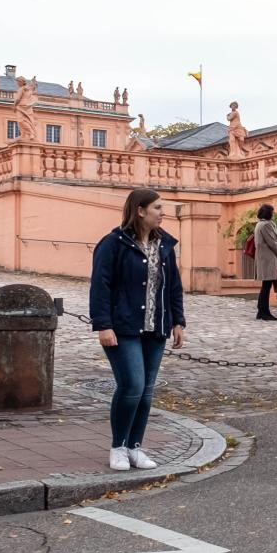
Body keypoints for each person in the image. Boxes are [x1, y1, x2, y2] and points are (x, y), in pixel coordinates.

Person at [89, 188, 187, 471]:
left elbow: (174, 286)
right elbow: (100, 285)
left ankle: (135, 447)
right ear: (140, 210)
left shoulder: (165, 245)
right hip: (124, 327)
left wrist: (178, 321)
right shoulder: (113, 244)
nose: (162, 212)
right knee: (132, 386)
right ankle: (118, 446)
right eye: (157, 207)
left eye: (162, 207)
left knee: (146, 391)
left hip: (156, 327)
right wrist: (103, 325)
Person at [251, 203, 277, 320]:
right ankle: (264, 311)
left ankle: (262, 310)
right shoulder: (266, 225)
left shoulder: (260, 224)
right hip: (268, 259)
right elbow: (272, 242)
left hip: (263, 259)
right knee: (266, 286)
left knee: (266, 285)